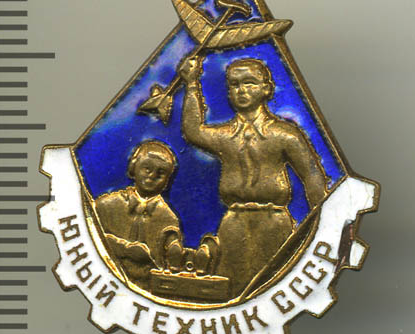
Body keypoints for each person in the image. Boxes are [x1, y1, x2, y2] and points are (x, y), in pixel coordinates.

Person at [180, 56, 328, 297]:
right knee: (232, 289)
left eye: (249, 83)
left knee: (278, 286)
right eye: (234, 84)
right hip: (233, 224)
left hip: (274, 223)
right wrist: (191, 83)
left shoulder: (285, 135)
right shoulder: (225, 136)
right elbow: (193, 131)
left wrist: (320, 228)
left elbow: (313, 179)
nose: (241, 90)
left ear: (266, 89)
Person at [95, 140, 184, 287]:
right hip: (106, 278)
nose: (152, 176)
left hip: (146, 286)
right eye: (147, 169)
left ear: (167, 181)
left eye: (161, 173)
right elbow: (92, 237)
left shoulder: (168, 218)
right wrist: (127, 249)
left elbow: (168, 262)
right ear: (133, 168)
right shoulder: (105, 205)